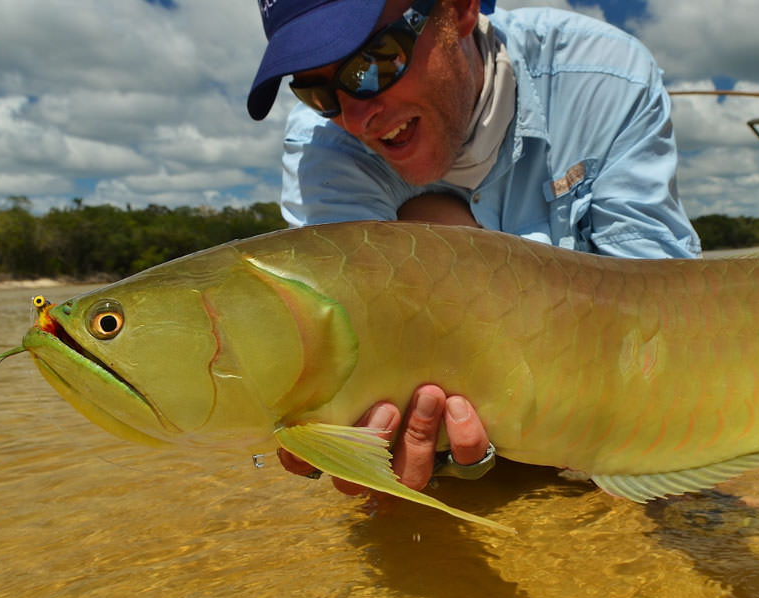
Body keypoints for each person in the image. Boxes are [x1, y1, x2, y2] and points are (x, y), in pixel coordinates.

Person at [247, 0, 701, 494]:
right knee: (423, 231)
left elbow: (665, 317)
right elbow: (350, 358)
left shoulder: (607, 75)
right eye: (315, 92)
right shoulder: (321, 149)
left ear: (459, 10)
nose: (357, 119)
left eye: (373, 63)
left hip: (615, 410)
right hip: (467, 436)